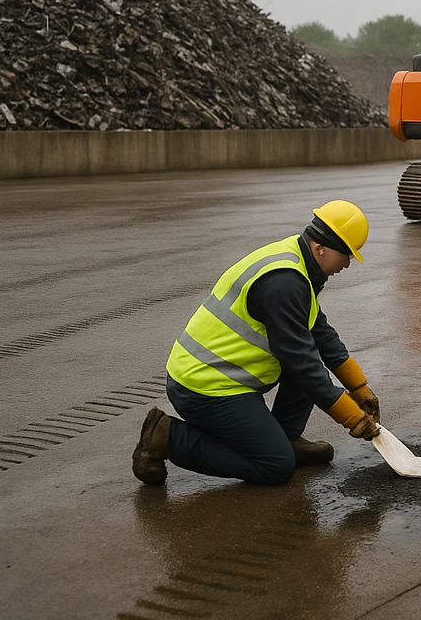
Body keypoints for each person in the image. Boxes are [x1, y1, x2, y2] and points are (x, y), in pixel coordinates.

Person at [132, 200, 383, 486]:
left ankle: (286, 438)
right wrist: (351, 417)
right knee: (275, 465)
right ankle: (167, 436)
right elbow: (300, 363)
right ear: (320, 248)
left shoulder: (298, 262)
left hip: (219, 375)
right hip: (205, 386)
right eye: (346, 254)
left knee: (308, 360)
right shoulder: (285, 283)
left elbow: (318, 331)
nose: (348, 263)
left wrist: (359, 387)